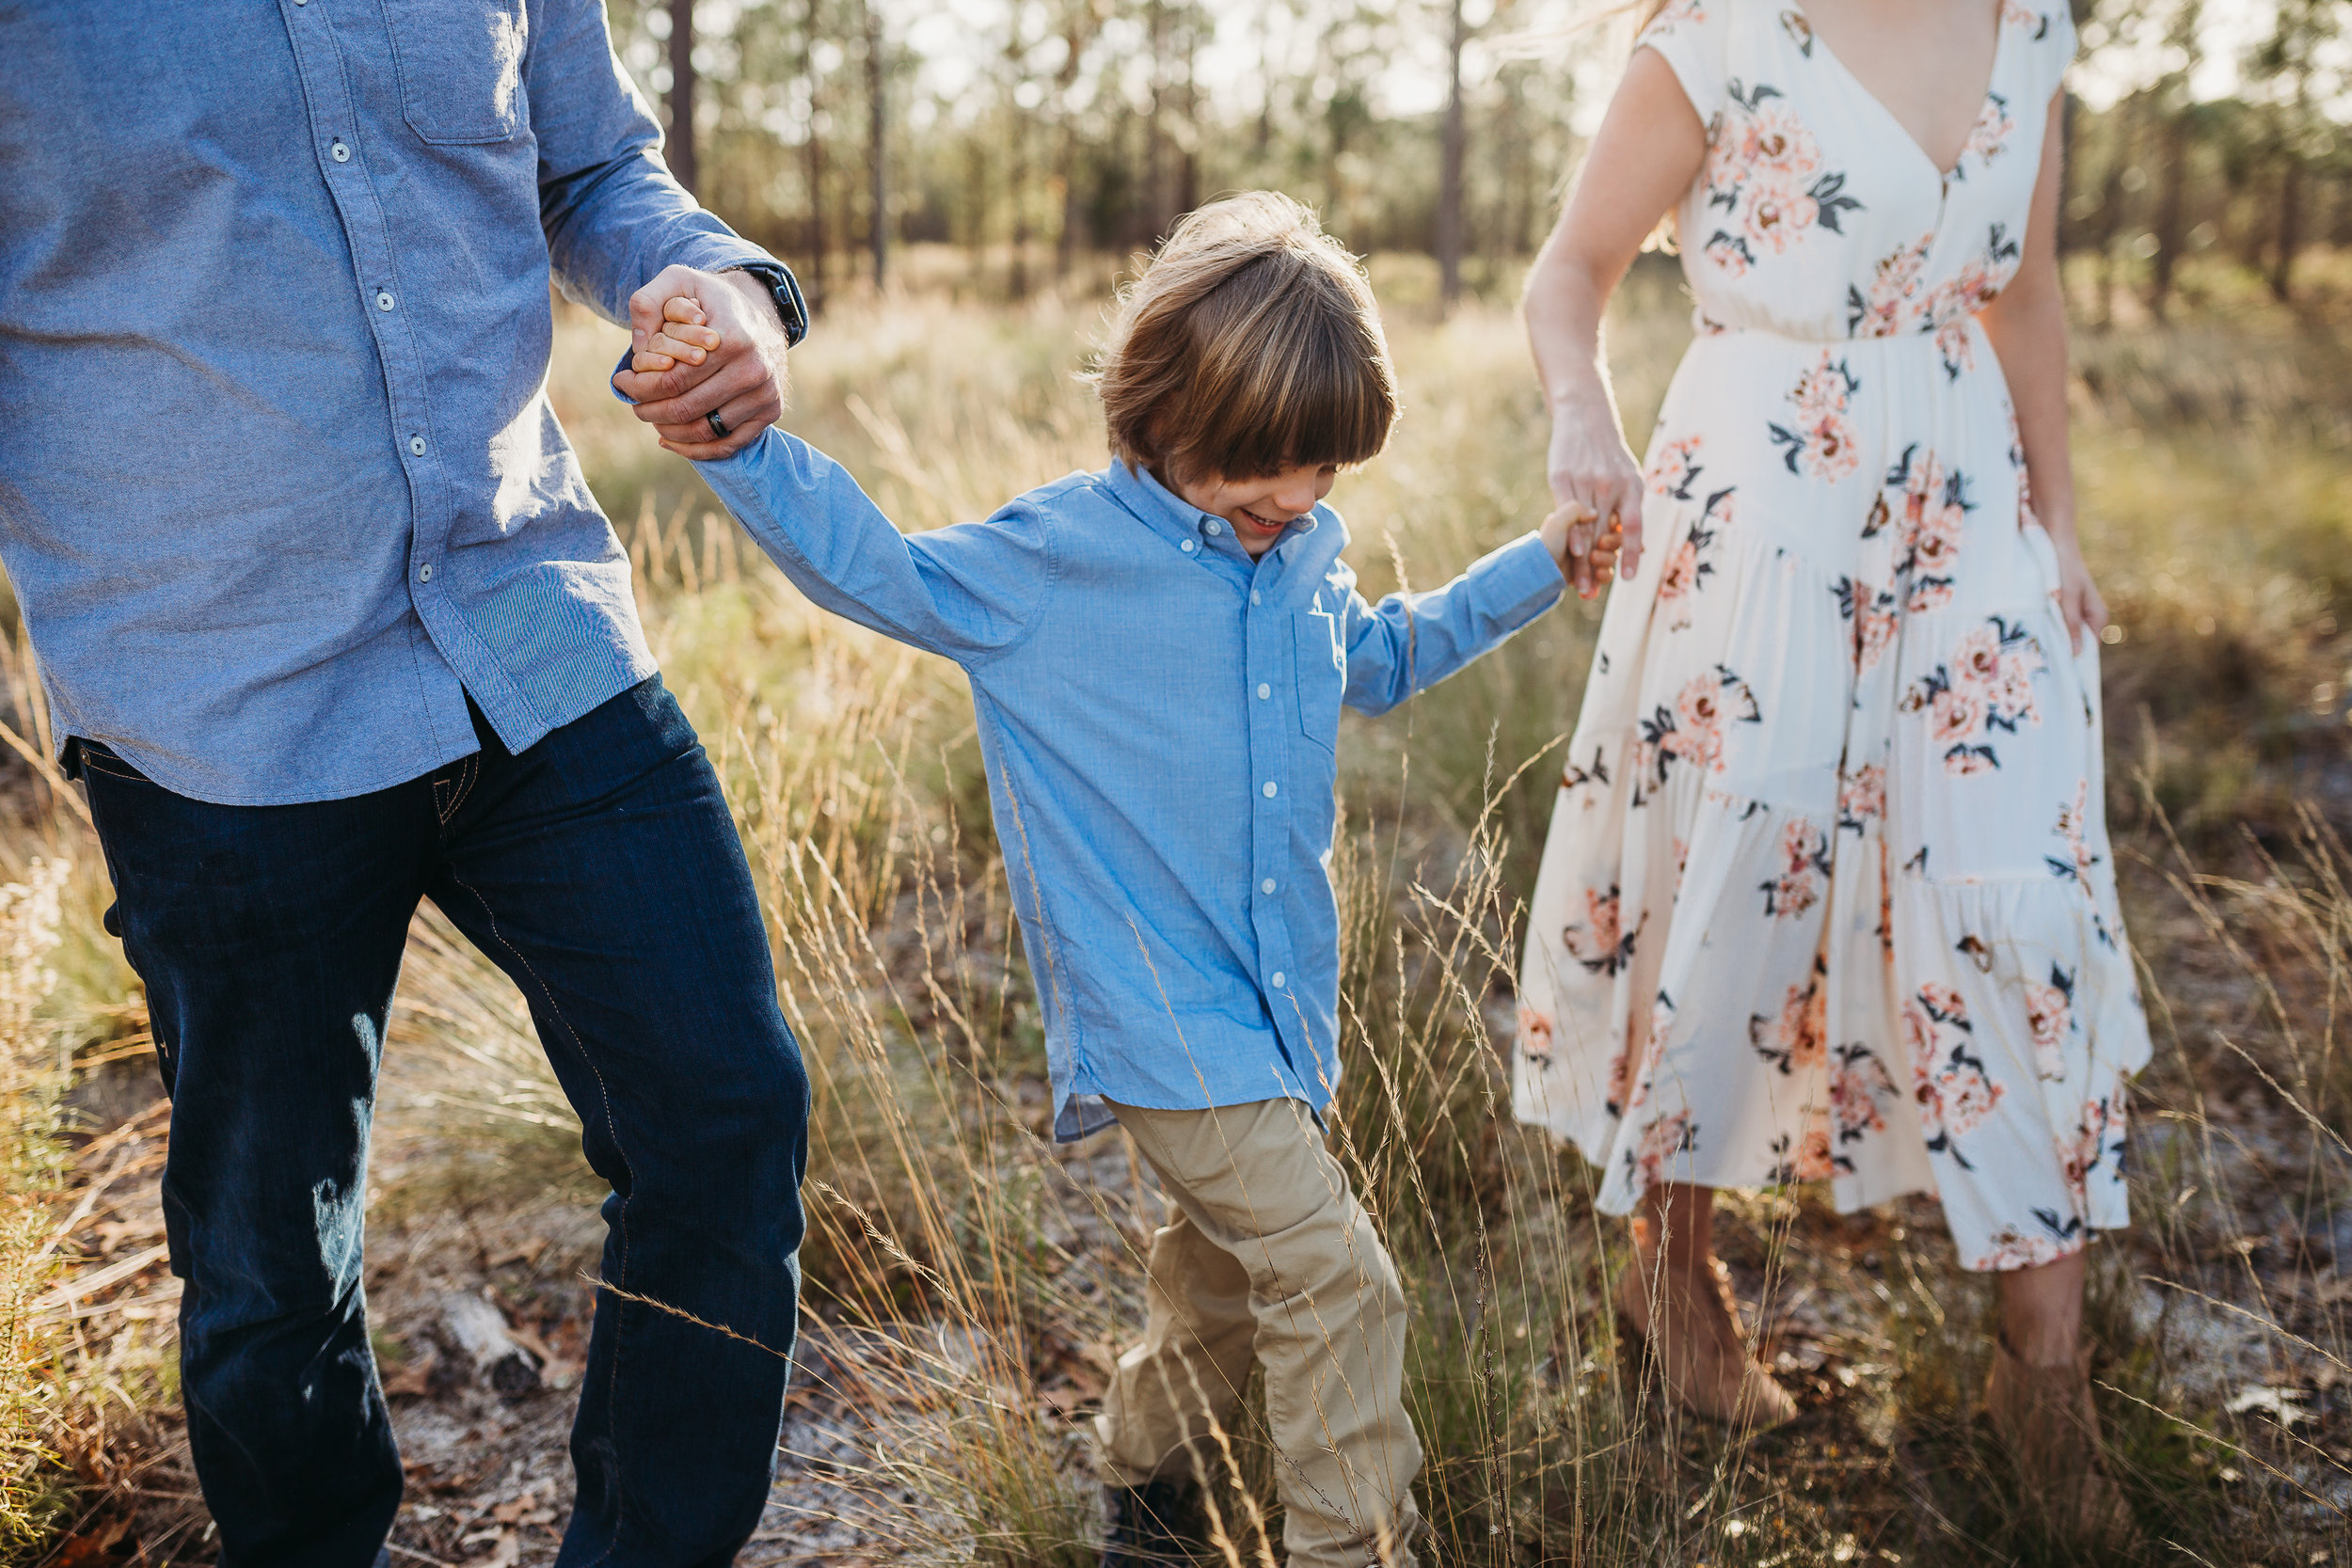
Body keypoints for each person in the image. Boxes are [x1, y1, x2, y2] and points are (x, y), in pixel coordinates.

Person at [638, 193, 1603, 1568]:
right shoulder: (1056, 564)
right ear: (1157, 423)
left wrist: (1540, 567)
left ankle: (1145, 1498)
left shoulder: (1303, 552)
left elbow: (1379, 659)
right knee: (1336, 1279)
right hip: (1162, 1018)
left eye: (1320, 473)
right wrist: (737, 438)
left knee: (1219, 1282)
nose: (1289, 503)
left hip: (1277, 1008)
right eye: (1254, 473)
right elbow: (881, 572)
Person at [0, 6, 817, 1562]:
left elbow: (594, 169)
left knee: (727, 1111)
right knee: (270, 1262)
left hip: (529, 627)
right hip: (217, 702)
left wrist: (726, 286)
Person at [1509, 0, 2149, 1544]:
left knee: (2021, 902)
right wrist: (1582, 417)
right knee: (1733, 876)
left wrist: (2059, 531)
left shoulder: (2032, 23)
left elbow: (2030, 293)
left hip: (1968, 504)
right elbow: (1568, 277)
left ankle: (2041, 1383)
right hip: (1759, 500)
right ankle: (1675, 1278)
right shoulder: (1723, 29)